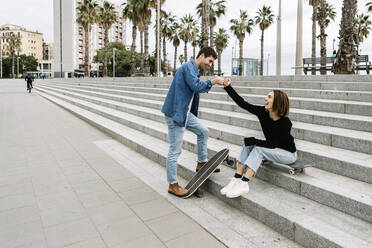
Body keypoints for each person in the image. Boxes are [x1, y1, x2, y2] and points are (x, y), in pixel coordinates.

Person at [161, 46, 225, 197]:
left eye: (212, 63)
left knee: (203, 131)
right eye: (209, 61)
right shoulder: (188, 67)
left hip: (184, 113)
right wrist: (214, 81)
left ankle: (201, 162)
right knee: (175, 150)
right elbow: (196, 86)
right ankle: (172, 184)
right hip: (176, 114)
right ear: (202, 55)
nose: (209, 65)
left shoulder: (194, 70)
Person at [220, 79, 297, 198]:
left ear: (277, 101)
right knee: (248, 145)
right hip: (273, 149)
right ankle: (236, 179)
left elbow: (273, 144)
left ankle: (244, 183)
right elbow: (243, 104)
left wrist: (253, 140)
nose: (266, 99)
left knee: (257, 149)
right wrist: (228, 87)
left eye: (269, 97)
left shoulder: (285, 123)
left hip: (288, 154)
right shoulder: (263, 112)